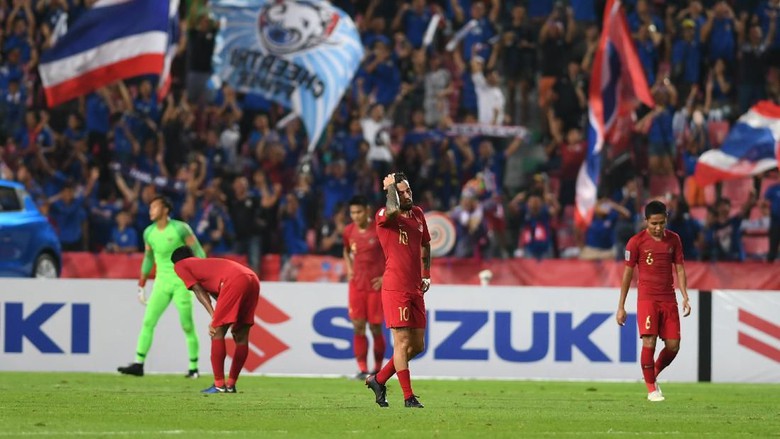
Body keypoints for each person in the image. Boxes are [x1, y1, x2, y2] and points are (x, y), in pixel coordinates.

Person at [117, 195, 206, 378]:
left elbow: (197, 250)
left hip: (183, 283)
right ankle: (138, 364)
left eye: (154, 207)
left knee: (187, 325)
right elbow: (148, 258)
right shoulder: (149, 232)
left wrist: (204, 274)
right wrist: (142, 282)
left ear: (165, 209)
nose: (151, 211)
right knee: (148, 321)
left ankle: (193, 367)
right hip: (161, 283)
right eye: (150, 207)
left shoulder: (181, 229)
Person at [365, 172, 431, 409]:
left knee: (418, 346)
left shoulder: (419, 214)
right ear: (393, 194)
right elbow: (392, 209)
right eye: (400, 192)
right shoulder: (385, 215)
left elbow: (426, 244)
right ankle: (408, 397)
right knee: (401, 343)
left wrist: (427, 274)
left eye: (408, 190)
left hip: (415, 288)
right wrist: (390, 188)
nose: (406, 195)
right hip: (395, 288)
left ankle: (378, 379)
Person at [617, 200, 692, 402]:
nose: (658, 228)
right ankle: (651, 390)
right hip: (647, 299)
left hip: (668, 298)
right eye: (654, 224)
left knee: (674, 345)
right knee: (648, 341)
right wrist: (621, 306)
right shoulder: (636, 242)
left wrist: (685, 295)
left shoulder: (674, 240)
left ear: (666, 220)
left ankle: (653, 372)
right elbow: (627, 275)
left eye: (661, 223)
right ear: (646, 221)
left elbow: (680, 268)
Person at [171, 246, 260, 393]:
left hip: (234, 279)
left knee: (216, 333)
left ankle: (219, 385)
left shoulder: (180, 265)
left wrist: (214, 317)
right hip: (252, 277)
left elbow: (198, 291)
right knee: (242, 335)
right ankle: (231, 384)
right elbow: (220, 295)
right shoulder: (204, 267)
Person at [342, 195, 386, 380]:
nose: (355, 216)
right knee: (358, 327)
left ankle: (377, 369)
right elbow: (345, 250)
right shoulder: (348, 231)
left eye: (359, 212)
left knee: (375, 328)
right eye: (352, 212)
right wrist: (350, 269)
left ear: (367, 211)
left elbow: (392, 253)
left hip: (375, 286)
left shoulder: (379, 230)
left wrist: (385, 277)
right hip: (357, 286)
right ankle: (362, 369)